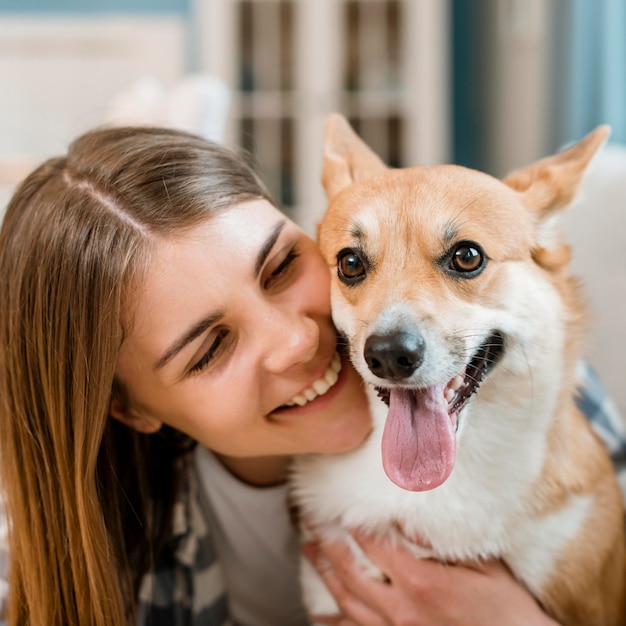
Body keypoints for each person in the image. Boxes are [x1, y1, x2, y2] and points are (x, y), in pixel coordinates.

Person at [0, 125, 623, 626]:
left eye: (278, 267)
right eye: (210, 349)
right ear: (130, 408)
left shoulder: (530, 380)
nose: (299, 341)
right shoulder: (69, 554)